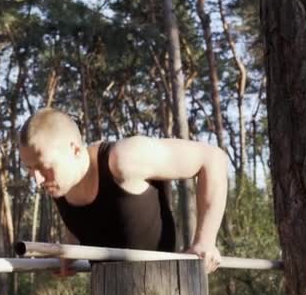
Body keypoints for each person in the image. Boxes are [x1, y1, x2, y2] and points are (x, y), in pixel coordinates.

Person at [18, 108, 227, 274]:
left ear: (74, 150)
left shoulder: (124, 159)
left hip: (167, 294)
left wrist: (205, 241)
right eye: (30, 169)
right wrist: (69, 252)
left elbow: (212, 158)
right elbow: (85, 217)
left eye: (43, 166)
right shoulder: (60, 183)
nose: (37, 179)